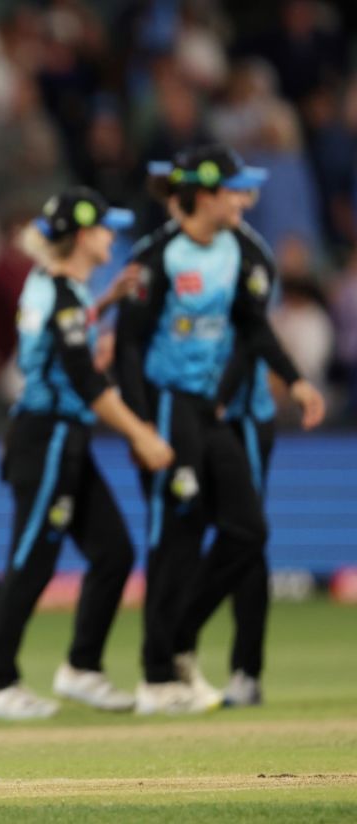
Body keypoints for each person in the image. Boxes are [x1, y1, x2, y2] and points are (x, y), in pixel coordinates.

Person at [114, 144, 325, 715]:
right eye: (235, 190)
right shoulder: (158, 257)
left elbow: (252, 328)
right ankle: (159, 676)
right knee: (175, 534)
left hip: (213, 411)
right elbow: (128, 345)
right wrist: (138, 426)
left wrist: (296, 381)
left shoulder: (237, 252)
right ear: (205, 195)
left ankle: (177, 638)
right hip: (167, 407)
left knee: (247, 529)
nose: (247, 199)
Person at [0, 187, 174, 720]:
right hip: (48, 440)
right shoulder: (63, 297)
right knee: (31, 562)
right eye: (107, 228)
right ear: (84, 235)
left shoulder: (61, 286)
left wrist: (105, 303)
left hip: (64, 439)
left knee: (113, 554)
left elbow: (69, 344)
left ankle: (82, 668)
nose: (114, 236)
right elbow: (87, 382)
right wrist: (142, 434)